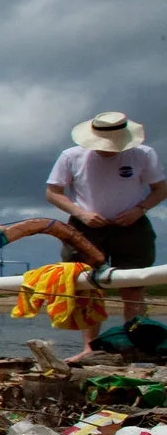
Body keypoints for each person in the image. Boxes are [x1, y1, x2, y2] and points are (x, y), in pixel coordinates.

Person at [44, 110, 167, 351]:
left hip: (131, 225)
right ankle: (89, 348)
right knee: (88, 286)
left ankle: (136, 346)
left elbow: (160, 189)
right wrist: (81, 214)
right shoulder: (71, 156)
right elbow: (53, 192)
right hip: (85, 227)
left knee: (133, 286)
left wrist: (140, 209)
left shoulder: (143, 154)